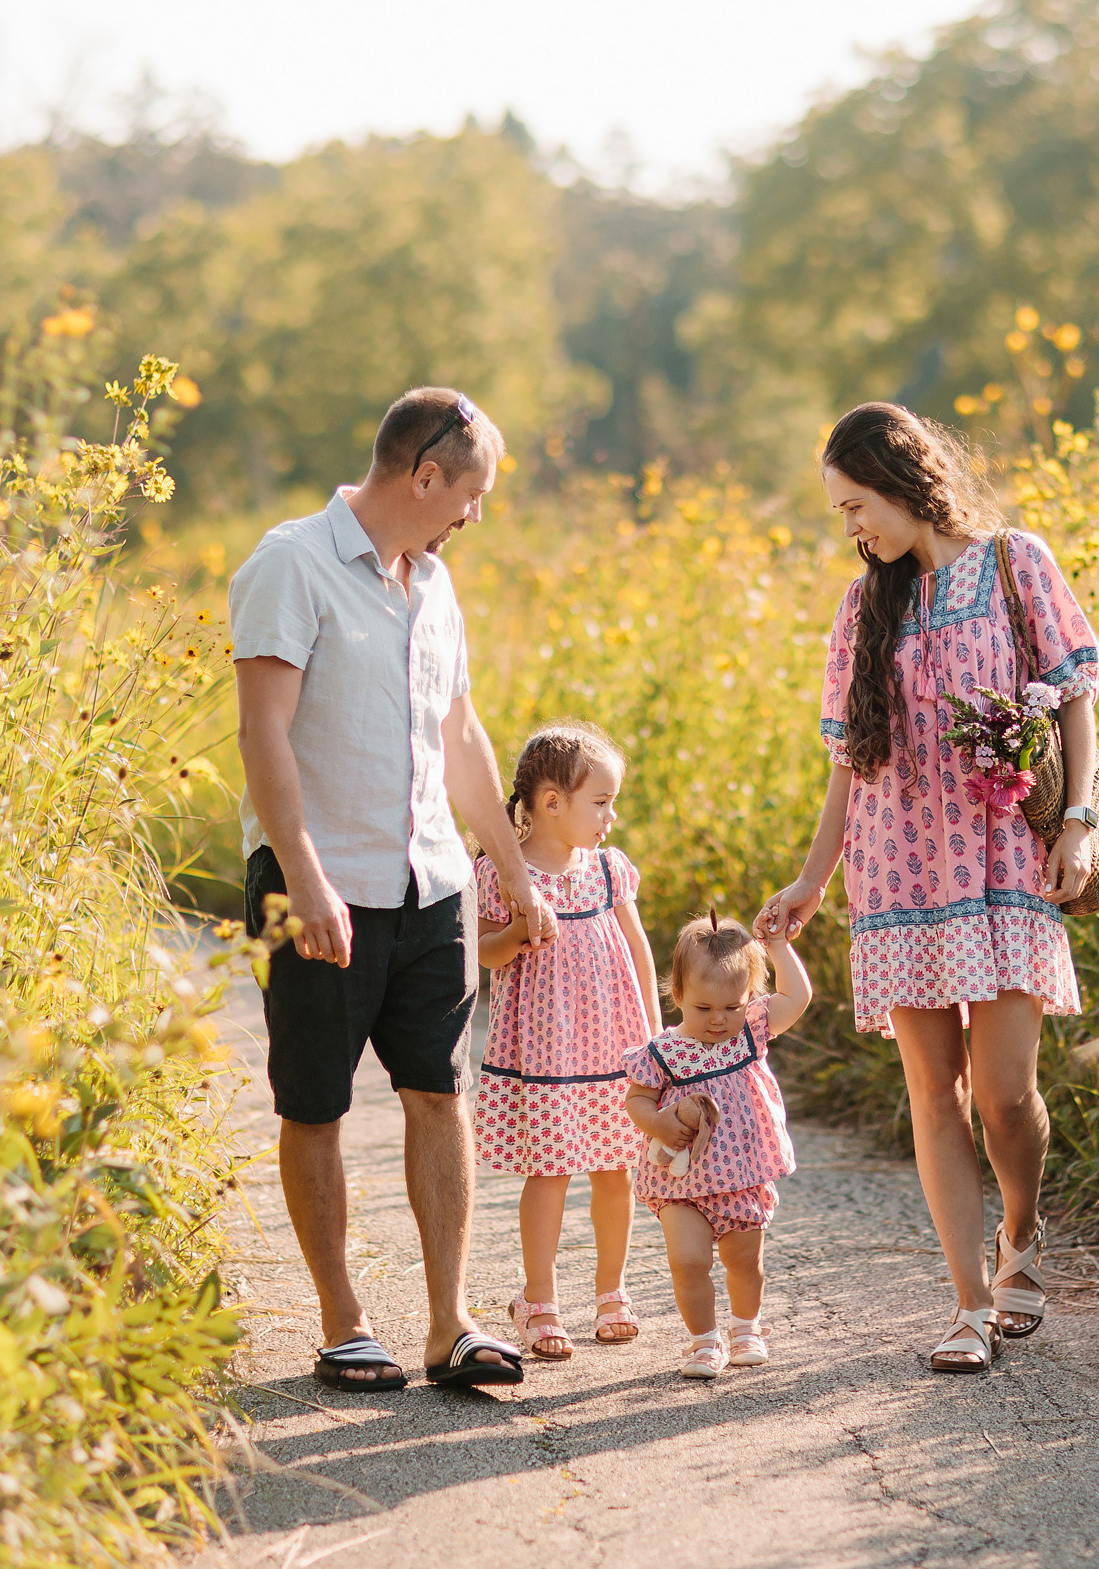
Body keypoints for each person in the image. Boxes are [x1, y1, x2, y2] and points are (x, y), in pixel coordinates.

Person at [755, 402, 1099, 1375]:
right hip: (899, 871)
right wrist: (812, 879)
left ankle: (1021, 1241)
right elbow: (846, 764)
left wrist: (1075, 823)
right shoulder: (865, 609)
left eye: (856, 504)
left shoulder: (1012, 563)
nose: (852, 528)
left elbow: (1074, 699)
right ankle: (964, 1307)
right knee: (933, 1095)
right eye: (839, 513)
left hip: (1004, 866)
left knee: (1002, 1092)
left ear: (904, 481)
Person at [229, 386, 556, 1393]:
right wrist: (306, 875)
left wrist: (509, 869)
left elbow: (461, 736)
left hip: (430, 886)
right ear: (424, 476)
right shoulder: (290, 565)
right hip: (320, 884)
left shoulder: (437, 586)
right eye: (473, 493)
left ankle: (448, 1324)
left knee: (437, 1093)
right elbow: (263, 734)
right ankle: (341, 1323)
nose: (476, 514)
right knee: (317, 1104)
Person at [472, 722, 662, 1359]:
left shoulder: (609, 870)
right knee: (550, 1171)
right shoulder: (506, 873)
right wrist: (523, 929)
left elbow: (636, 948)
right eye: (601, 802)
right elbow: (486, 954)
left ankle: (613, 1290)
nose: (612, 815)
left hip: (614, 1045)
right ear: (552, 803)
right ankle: (539, 1298)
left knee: (616, 1169)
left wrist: (656, 1037)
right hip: (548, 1055)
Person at [621, 915, 815, 1380]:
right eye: (704, 1007)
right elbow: (637, 1100)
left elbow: (798, 997)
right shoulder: (663, 1051)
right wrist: (659, 1124)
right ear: (679, 994)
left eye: (731, 1006)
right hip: (680, 1182)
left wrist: (778, 945)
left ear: (747, 999)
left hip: (743, 1175)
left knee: (745, 1260)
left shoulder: (751, 1032)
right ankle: (704, 1342)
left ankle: (747, 1329)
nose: (718, 1019)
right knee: (689, 1261)